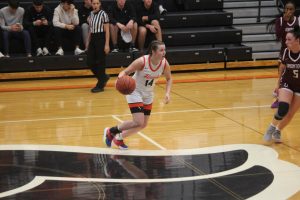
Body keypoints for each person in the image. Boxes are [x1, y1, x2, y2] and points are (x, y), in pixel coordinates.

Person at [103, 40, 172, 150]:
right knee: (138, 121)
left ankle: (119, 138)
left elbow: (169, 79)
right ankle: (111, 131)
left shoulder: (164, 63)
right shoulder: (142, 61)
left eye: (164, 50)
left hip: (148, 94)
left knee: (143, 124)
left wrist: (167, 93)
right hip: (134, 91)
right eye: (161, 50)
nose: (164, 52)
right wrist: (120, 79)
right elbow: (125, 72)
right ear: (153, 51)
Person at [263, 26, 300, 143]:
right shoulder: (285, 52)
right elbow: (282, 67)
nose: (286, 42)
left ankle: (278, 130)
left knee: (290, 114)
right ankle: (271, 128)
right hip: (287, 83)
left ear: (297, 40)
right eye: (286, 39)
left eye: (289, 39)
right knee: (283, 108)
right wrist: (278, 84)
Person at [268, 1, 299, 108]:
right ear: (284, 9)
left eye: (291, 9)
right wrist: (285, 22)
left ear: (294, 11)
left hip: (296, 51)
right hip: (284, 51)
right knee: (282, 75)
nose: (288, 11)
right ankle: (279, 98)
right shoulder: (280, 21)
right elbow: (278, 36)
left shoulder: (298, 21)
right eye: (286, 9)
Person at [86, 0, 110, 93]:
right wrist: (88, 42)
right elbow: (90, 29)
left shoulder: (103, 14)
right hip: (93, 38)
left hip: (101, 38)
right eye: (94, 3)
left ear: (100, 4)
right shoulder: (91, 14)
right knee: (89, 62)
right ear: (91, 4)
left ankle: (100, 85)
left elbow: (107, 30)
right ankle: (103, 77)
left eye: (97, 3)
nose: (95, 5)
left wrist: (107, 44)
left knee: (101, 62)